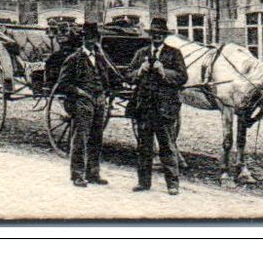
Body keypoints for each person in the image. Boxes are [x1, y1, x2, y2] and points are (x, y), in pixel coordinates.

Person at [126, 17, 188, 194]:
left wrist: (164, 71)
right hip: (144, 107)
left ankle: (173, 184)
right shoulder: (141, 53)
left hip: (165, 108)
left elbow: (183, 77)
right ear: (151, 35)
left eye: (161, 34)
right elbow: (128, 75)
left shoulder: (174, 54)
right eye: (154, 34)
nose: (157, 37)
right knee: (144, 147)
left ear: (165, 36)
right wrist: (140, 70)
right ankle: (144, 183)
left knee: (167, 146)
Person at [53, 22, 112, 187]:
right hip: (82, 102)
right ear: (83, 39)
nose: (91, 41)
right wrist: (79, 92)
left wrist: (104, 92)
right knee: (80, 138)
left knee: (97, 138)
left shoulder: (100, 58)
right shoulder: (74, 59)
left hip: (99, 101)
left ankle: (93, 173)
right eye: (88, 37)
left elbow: (106, 79)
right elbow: (63, 84)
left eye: (94, 38)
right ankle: (77, 175)